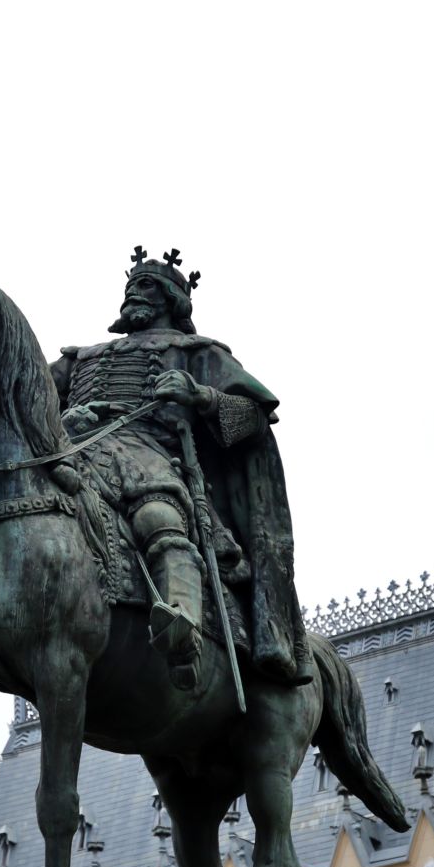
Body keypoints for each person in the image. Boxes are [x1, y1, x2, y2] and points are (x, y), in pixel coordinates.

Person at [49, 247, 310, 690]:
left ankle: (182, 629)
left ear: (172, 299)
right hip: (75, 449)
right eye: (130, 285)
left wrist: (200, 395)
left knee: (159, 517)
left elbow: (255, 415)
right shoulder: (81, 358)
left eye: (145, 285)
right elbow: (28, 388)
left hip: (150, 456)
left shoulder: (197, 353)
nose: (133, 293)